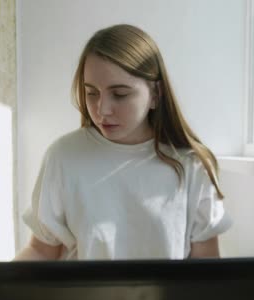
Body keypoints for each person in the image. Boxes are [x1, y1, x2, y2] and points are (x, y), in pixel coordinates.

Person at [14, 24, 231, 261]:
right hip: (82, 299)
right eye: (91, 93)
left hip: (167, 299)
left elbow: (207, 270)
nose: (102, 110)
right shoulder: (63, 156)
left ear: (155, 94)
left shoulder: (193, 166)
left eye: (120, 94)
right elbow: (41, 251)